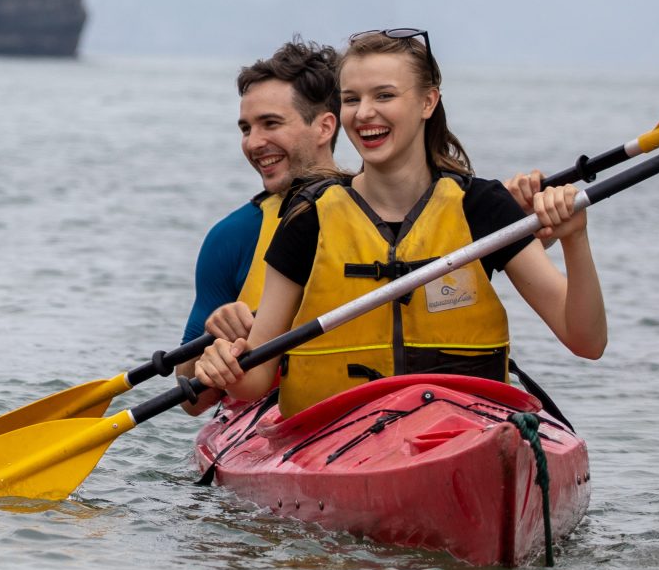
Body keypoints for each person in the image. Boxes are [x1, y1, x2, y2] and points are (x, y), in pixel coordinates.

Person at [193, 28, 606, 415]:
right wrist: (224, 365)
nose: (364, 113)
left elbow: (585, 340)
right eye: (351, 99)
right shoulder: (310, 216)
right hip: (334, 433)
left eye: (384, 95)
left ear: (428, 102)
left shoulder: (482, 207)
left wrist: (575, 239)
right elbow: (258, 377)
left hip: (464, 424)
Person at [176, 40, 344, 411]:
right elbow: (192, 401)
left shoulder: (387, 213)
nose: (254, 143)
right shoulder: (234, 236)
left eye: (270, 124)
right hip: (266, 422)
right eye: (246, 128)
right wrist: (212, 337)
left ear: (324, 127)